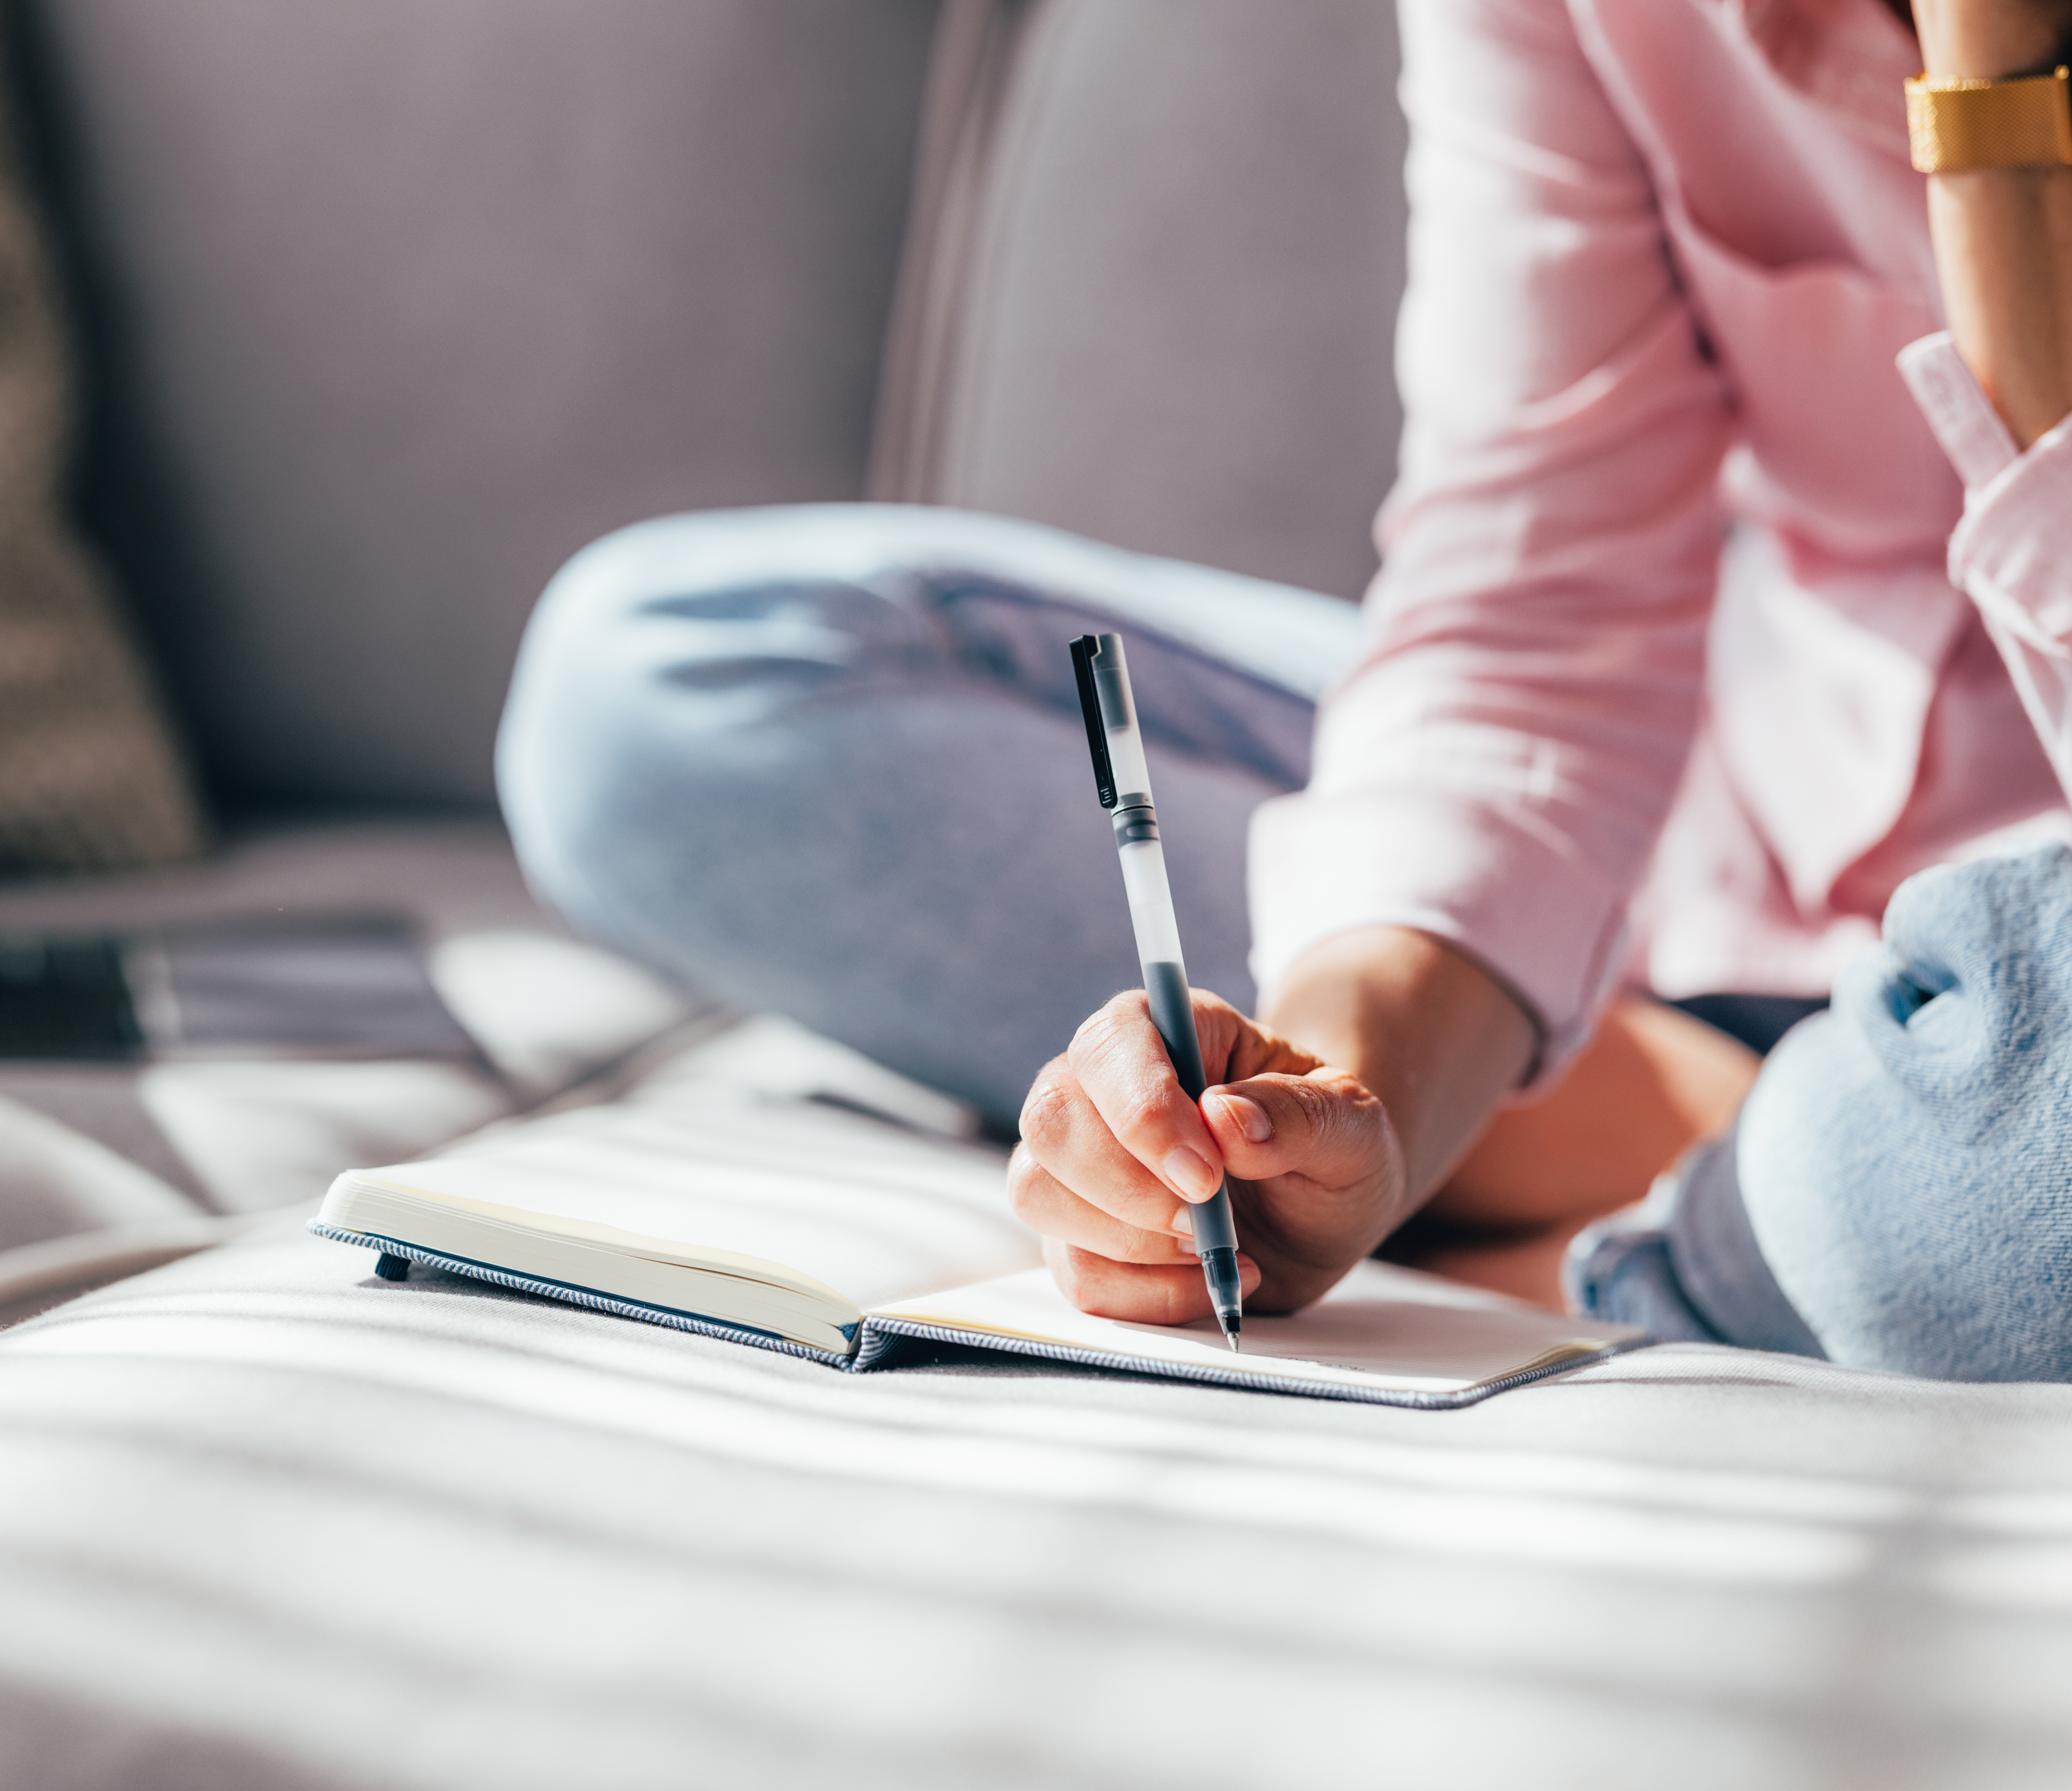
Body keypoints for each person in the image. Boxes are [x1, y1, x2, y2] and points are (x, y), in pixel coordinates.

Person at [497, 0, 2072, 1380]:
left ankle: (1728, 1176)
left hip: (2036, 924)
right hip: (1696, 830)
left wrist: (1996, 104)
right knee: (661, 685)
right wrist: (1346, 1091)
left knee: (2019, 1176)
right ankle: (1728, 1126)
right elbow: (1537, 596)